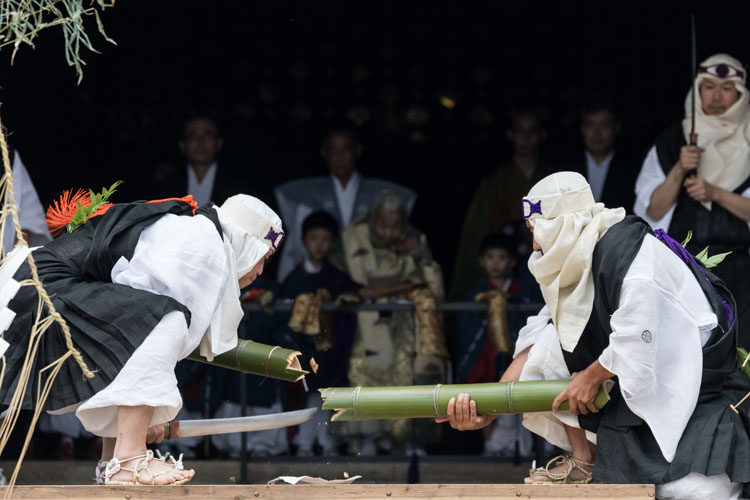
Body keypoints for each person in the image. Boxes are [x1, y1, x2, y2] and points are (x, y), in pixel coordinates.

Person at [439, 172, 750, 499]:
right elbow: (542, 342)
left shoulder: (629, 254)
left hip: (692, 401)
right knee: (561, 339)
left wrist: (591, 375)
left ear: (565, 226)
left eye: (537, 232)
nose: (533, 245)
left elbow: (640, 331)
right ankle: (584, 460)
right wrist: (488, 408)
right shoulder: (579, 266)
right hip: (631, 409)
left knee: (694, 491)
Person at [0, 191, 285, 485]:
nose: (261, 271)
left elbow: (125, 329)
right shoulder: (201, 241)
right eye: (263, 257)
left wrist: (147, 413)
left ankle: (112, 461)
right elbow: (147, 323)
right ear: (247, 244)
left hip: (33, 286)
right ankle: (129, 458)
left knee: (152, 321)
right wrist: (149, 412)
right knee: (164, 318)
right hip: (37, 286)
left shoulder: (195, 232)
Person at [634, 53, 750, 350]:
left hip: (741, 273)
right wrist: (679, 168)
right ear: (697, 91)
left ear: (740, 94)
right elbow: (651, 210)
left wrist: (716, 194)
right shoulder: (673, 141)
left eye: (727, 88)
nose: (717, 96)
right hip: (684, 269)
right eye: (708, 86)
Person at [331, 189, 446, 455]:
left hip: (405, 324)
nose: (387, 232)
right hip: (363, 323)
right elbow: (334, 279)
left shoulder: (414, 239)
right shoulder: (352, 237)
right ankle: (364, 439)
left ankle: (408, 439)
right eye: (382, 224)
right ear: (372, 220)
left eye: (395, 225)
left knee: (406, 377)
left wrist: (421, 255)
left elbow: (435, 287)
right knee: (363, 374)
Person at [276, 211, 369, 456]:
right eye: (314, 238)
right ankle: (303, 443)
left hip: (328, 345)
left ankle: (328, 443)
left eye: (325, 239)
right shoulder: (294, 278)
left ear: (333, 243)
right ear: (304, 241)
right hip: (301, 346)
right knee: (305, 394)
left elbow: (353, 294)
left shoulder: (336, 277)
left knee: (328, 392)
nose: (320, 245)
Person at [274, 128, 417, 282]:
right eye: (333, 150)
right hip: (321, 277)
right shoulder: (309, 195)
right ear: (324, 153)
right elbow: (295, 244)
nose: (340, 157)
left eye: (346, 149)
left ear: (358, 151)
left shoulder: (378, 194)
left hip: (370, 277)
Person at [451, 109, 554, 298]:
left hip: (544, 264)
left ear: (541, 135)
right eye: (520, 131)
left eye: (532, 131)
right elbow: (477, 232)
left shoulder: (553, 180)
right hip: (502, 265)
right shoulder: (494, 184)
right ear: (510, 135)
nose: (526, 137)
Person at [453, 231, 532, 458]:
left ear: (512, 262)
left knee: (519, 397)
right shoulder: (473, 294)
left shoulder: (524, 292)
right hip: (484, 354)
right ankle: (491, 447)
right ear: (481, 261)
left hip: (514, 354)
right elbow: (466, 328)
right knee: (483, 399)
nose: (495, 263)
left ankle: (527, 449)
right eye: (490, 257)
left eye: (501, 257)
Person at [566, 96, 638, 211]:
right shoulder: (566, 169)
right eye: (590, 125)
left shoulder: (632, 170)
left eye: (605, 125)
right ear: (582, 128)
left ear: (616, 128)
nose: (597, 133)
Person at [150, 115, 239, 206]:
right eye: (193, 135)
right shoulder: (166, 187)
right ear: (182, 145)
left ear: (219, 143)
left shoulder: (237, 188)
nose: (201, 142)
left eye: (208, 135)